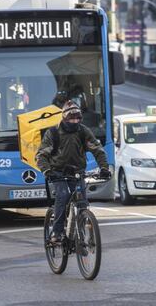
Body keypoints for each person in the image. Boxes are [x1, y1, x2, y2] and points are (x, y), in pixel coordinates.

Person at [36, 100, 111, 242]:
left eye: (78, 118)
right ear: (64, 118)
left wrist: (104, 168)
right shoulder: (53, 133)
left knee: (82, 203)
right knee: (63, 196)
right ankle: (57, 233)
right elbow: (41, 155)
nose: (75, 121)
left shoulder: (83, 131)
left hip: (77, 172)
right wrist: (47, 171)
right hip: (58, 173)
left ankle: (80, 236)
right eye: (71, 118)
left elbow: (98, 150)